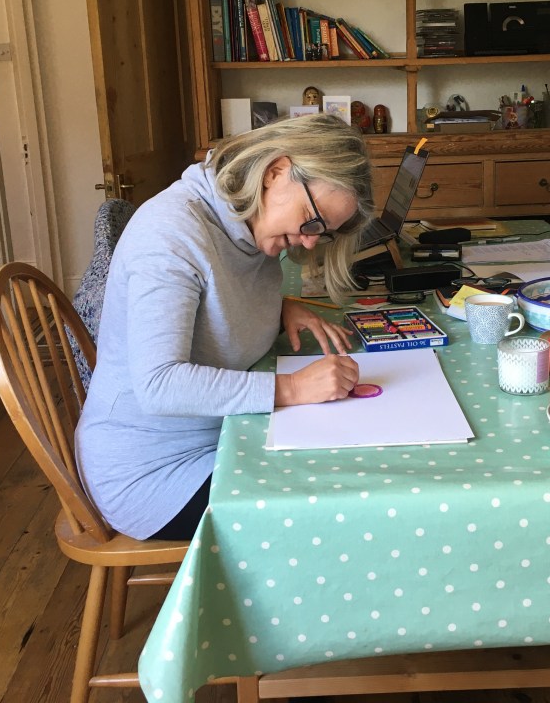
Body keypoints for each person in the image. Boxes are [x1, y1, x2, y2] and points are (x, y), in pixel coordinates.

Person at [75, 114, 374, 541]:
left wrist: (279, 306)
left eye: (322, 232)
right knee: (334, 512)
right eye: (311, 219)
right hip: (152, 474)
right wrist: (291, 390)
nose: (309, 241)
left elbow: (212, 300)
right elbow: (160, 384)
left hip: (219, 436)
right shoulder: (171, 234)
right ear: (275, 172)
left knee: (348, 466)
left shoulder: (245, 225)